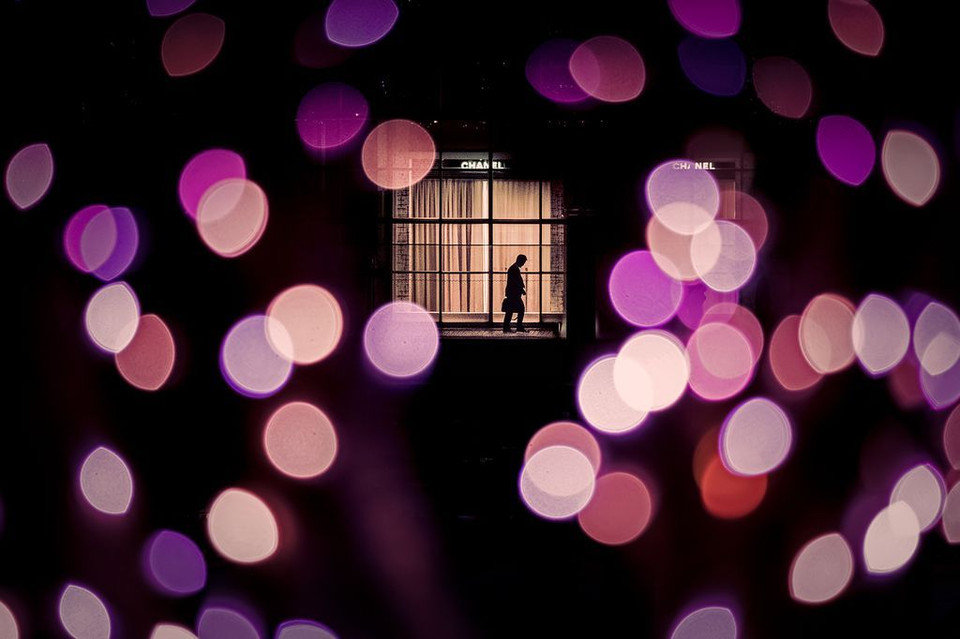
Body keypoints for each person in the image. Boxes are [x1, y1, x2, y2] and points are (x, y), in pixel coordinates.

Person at [502, 254, 527, 333]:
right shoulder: (514, 269)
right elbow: (516, 282)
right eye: (523, 262)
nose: (523, 264)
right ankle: (518, 326)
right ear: (520, 260)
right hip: (514, 294)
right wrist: (521, 289)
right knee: (521, 309)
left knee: (510, 310)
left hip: (511, 293)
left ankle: (507, 327)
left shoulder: (513, 268)